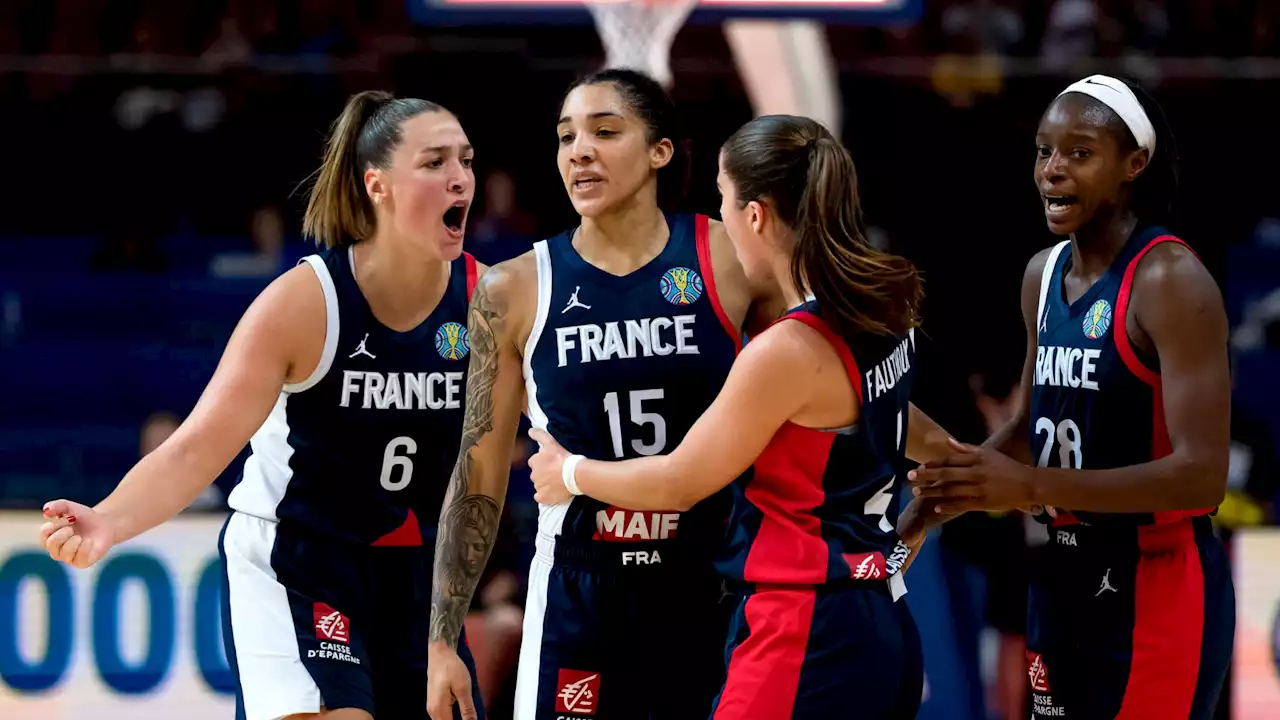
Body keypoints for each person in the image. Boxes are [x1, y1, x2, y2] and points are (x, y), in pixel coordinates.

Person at [39, 90, 487, 720]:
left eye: (465, 160)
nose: (459, 177)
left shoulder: (491, 301)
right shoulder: (305, 303)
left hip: (417, 575)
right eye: (435, 162)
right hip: (298, 560)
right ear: (377, 185)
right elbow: (198, 445)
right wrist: (107, 521)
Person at [525, 114, 956, 719]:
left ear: (755, 215)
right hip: (882, 622)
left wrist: (570, 472)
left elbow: (680, 480)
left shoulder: (787, 350)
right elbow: (928, 439)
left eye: (723, 203)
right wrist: (933, 503)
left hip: (802, 629)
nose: (719, 221)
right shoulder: (875, 321)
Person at [426, 69, 787, 720]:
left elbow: (812, 381)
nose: (579, 150)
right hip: (579, 586)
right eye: (566, 137)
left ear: (661, 151)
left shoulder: (729, 256)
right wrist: (441, 637)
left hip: (714, 580)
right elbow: (478, 473)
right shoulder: (513, 288)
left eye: (604, 131)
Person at [910, 75, 1234, 719]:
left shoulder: (1170, 278)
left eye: (1080, 153)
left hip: (1155, 584)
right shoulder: (1042, 273)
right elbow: (1035, 423)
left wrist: (1029, 487)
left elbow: (1202, 479)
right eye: (1043, 152)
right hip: (1060, 579)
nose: (1053, 171)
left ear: (1132, 165)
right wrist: (952, 487)